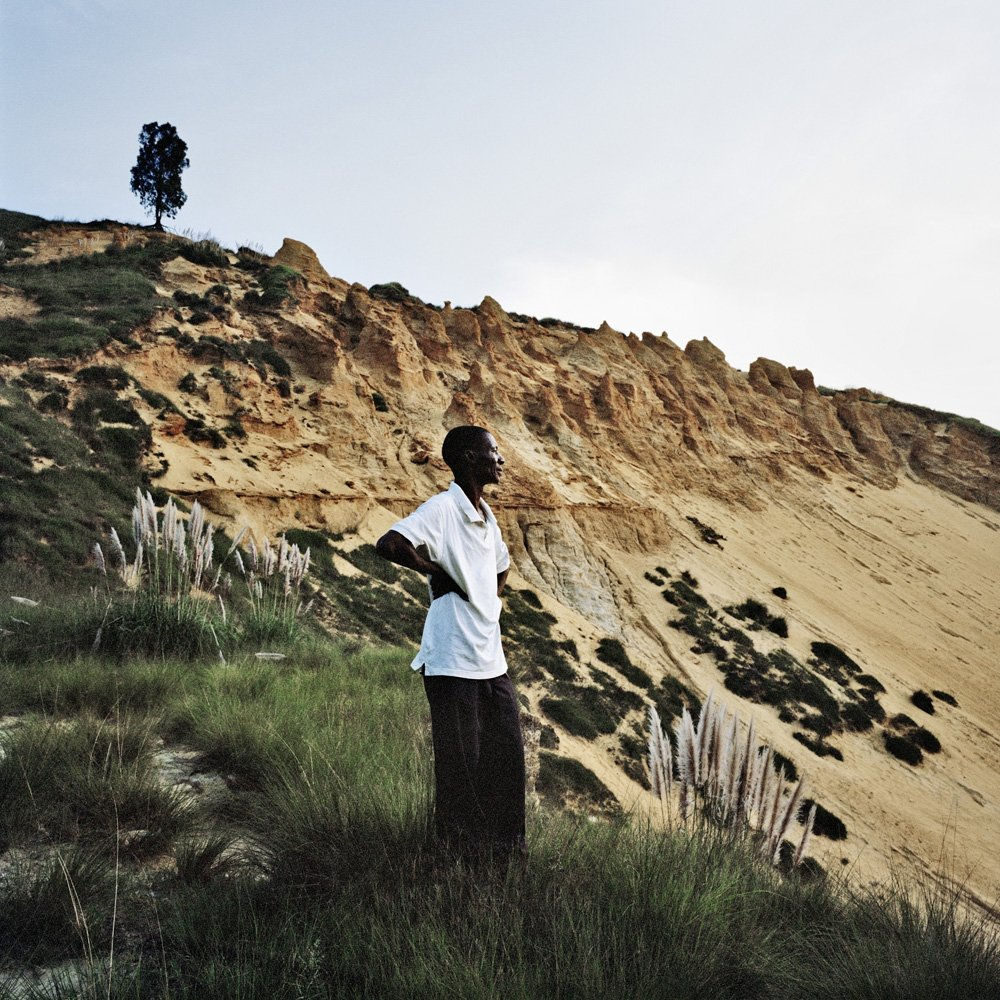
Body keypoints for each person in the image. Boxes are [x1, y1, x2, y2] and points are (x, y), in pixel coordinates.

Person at [374, 425, 526, 863]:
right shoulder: (443, 509)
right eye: (493, 451)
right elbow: (390, 543)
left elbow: (502, 565)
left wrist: (487, 597)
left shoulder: (487, 517)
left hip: (490, 661)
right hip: (452, 660)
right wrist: (435, 572)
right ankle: (454, 863)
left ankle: (504, 859)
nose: (501, 459)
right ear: (469, 458)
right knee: (461, 769)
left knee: (506, 762)